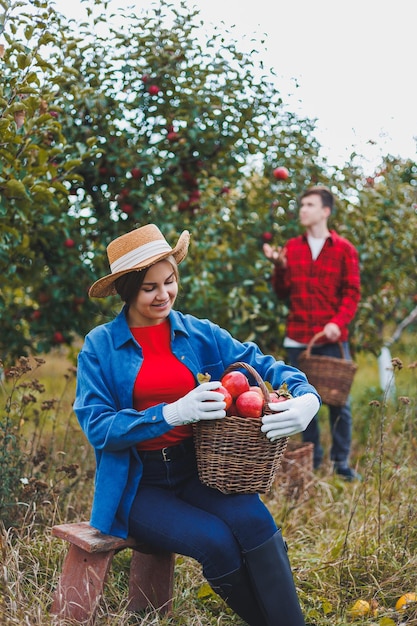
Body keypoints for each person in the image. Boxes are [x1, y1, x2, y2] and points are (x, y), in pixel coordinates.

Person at [73, 223, 321, 626]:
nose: (163, 294)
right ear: (127, 290)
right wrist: (170, 413)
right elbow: (98, 427)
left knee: (257, 522)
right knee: (216, 541)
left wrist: (307, 395)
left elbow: (262, 363)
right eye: (149, 287)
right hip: (138, 485)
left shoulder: (197, 333)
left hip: (197, 470)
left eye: (170, 281)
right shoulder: (99, 347)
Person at [263, 186, 361, 481]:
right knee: (305, 399)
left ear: (325, 211)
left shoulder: (344, 250)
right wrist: (279, 267)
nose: (302, 209)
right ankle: (314, 460)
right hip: (298, 337)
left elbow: (352, 293)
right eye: (301, 204)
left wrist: (338, 323)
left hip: (331, 337)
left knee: (339, 403)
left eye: (309, 204)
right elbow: (282, 292)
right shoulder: (291, 248)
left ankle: (341, 463)